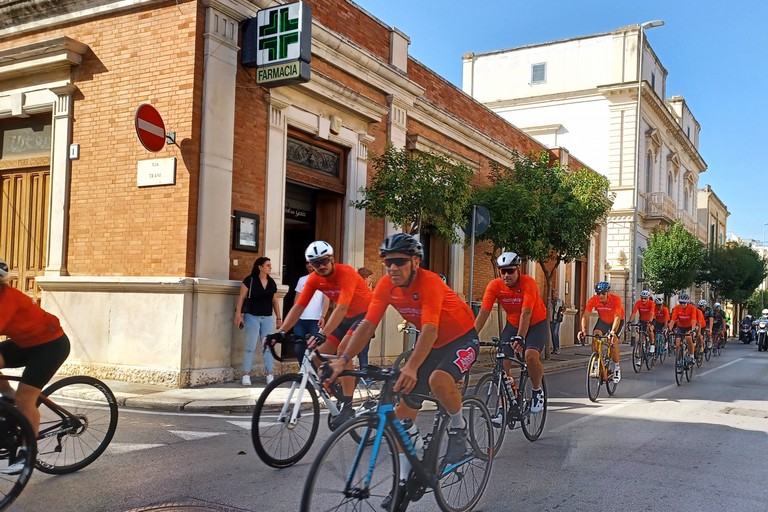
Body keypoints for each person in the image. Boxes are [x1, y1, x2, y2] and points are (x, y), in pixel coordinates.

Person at [326, 233, 479, 476]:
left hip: (461, 338)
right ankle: (403, 484)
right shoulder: (386, 286)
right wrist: (343, 360)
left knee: (438, 380)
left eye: (400, 261)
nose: (393, 268)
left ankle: (458, 428)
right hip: (432, 345)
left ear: (415, 262)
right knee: (400, 419)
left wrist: (411, 367)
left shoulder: (430, 283)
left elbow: (429, 329)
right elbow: (367, 325)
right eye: (388, 262)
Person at [267, 241, 372, 428]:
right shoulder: (314, 279)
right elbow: (299, 306)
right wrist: (281, 332)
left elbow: (341, 307)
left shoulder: (345, 272)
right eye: (316, 263)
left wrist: (323, 332)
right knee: (317, 353)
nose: (321, 266)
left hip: (365, 315)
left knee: (342, 352)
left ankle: (348, 406)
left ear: (332, 259)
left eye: (324, 261)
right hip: (345, 317)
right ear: (310, 265)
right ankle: (340, 386)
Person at [0, 259, 71, 474]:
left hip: (50, 347)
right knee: (15, 397)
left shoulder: (7, 299)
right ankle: (7, 395)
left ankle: (28, 450)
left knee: (26, 399)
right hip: (25, 343)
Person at [475, 251, 547, 416]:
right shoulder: (494, 286)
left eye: (510, 271)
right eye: (503, 271)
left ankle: (537, 392)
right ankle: (503, 408)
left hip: (536, 323)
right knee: (501, 363)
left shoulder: (528, 282)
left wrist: (521, 337)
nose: (506, 275)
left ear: (518, 270)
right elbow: (483, 313)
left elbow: (526, 312)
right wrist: (471, 336)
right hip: (513, 323)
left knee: (530, 356)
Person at [234, 256, 281, 386]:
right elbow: (242, 297)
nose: (270, 267)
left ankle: (270, 374)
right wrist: (238, 315)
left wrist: (278, 318)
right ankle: (246, 375)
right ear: (260, 267)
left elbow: (275, 301)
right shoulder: (250, 280)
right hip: (252, 317)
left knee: (267, 347)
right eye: (268, 265)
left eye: (270, 265)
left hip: (267, 317)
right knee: (250, 347)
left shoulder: (271, 282)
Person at [578, 281, 624, 382]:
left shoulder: (616, 299)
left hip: (617, 321)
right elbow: (586, 315)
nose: (601, 296)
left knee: (612, 341)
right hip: (603, 320)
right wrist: (583, 330)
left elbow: (617, 316)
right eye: (598, 293)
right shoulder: (594, 300)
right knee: (595, 336)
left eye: (603, 293)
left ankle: (617, 367)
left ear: (608, 292)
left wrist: (612, 332)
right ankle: (596, 363)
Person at [292, 262, 329, 363]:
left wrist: (323, 316)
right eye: (307, 263)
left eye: (311, 263)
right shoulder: (302, 280)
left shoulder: (324, 280)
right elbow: (297, 300)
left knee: (314, 349)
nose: (309, 265)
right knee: (299, 349)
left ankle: (313, 373)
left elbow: (326, 299)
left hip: (315, 320)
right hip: (300, 320)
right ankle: (304, 372)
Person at [669, 294, 698, 366]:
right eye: (680, 303)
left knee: (688, 337)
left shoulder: (692, 308)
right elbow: (673, 320)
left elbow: (694, 320)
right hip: (680, 326)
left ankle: (691, 355)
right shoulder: (676, 308)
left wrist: (693, 330)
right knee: (678, 344)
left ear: (687, 303)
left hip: (690, 326)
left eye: (684, 303)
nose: (682, 304)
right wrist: (669, 329)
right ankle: (679, 360)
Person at [356, 267, 376, 372]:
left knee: (363, 350)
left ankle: (363, 370)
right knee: (363, 350)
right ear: (364, 279)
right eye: (370, 277)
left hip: (366, 323)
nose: (371, 280)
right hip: (362, 324)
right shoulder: (363, 292)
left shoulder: (366, 290)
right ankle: (364, 372)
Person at [630, 290, 657, 361]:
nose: (643, 300)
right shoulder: (638, 303)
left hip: (651, 320)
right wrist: (630, 321)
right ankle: (640, 358)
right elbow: (634, 312)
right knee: (641, 340)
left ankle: (652, 345)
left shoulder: (651, 303)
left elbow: (651, 313)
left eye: (645, 298)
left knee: (650, 329)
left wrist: (650, 321)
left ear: (648, 298)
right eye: (642, 298)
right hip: (642, 320)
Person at [550, 289, 564, 355]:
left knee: (555, 333)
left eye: (555, 293)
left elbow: (564, 308)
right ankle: (554, 348)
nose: (554, 295)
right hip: (551, 319)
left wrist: (561, 312)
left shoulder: (560, 301)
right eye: (553, 293)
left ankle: (557, 348)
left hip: (557, 319)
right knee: (553, 334)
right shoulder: (549, 301)